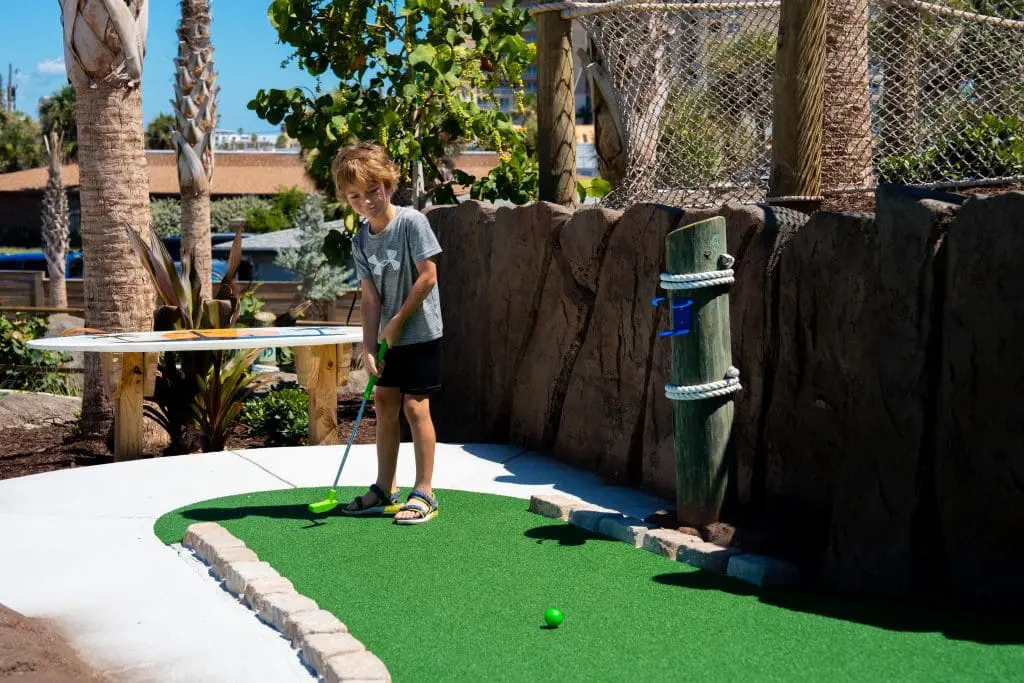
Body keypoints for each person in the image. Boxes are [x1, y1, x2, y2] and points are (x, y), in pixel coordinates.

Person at [331, 142, 443, 525]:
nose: (366, 201)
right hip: (386, 339)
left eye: (373, 190)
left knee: (415, 408)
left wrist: (396, 323)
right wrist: (367, 345)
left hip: (421, 332)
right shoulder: (361, 239)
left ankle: (425, 491)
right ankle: (384, 488)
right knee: (383, 406)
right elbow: (369, 298)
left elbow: (428, 277)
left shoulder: (411, 223)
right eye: (355, 196)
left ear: (389, 183)